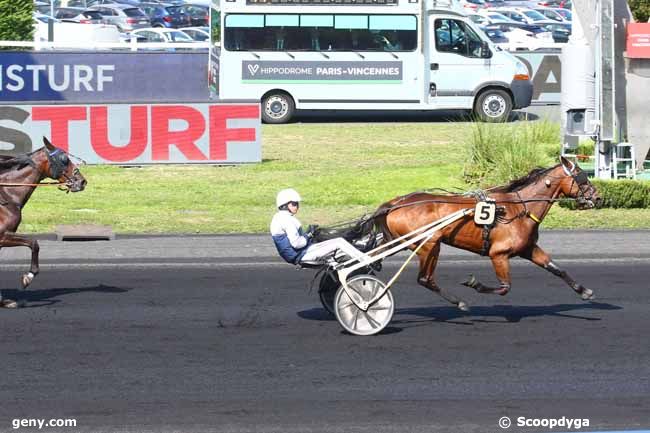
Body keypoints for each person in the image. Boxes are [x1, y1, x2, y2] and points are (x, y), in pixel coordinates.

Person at [270, 188, 368, 265]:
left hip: (302, 252)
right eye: (294, 204)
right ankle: (365, 259)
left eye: (297, 204)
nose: (297, 206)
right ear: (285, 205)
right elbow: (296, 244)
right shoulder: (287, 220)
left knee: (336, 241)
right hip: (302, 255)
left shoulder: (279, 217)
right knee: (339, 242)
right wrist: (308, 235)